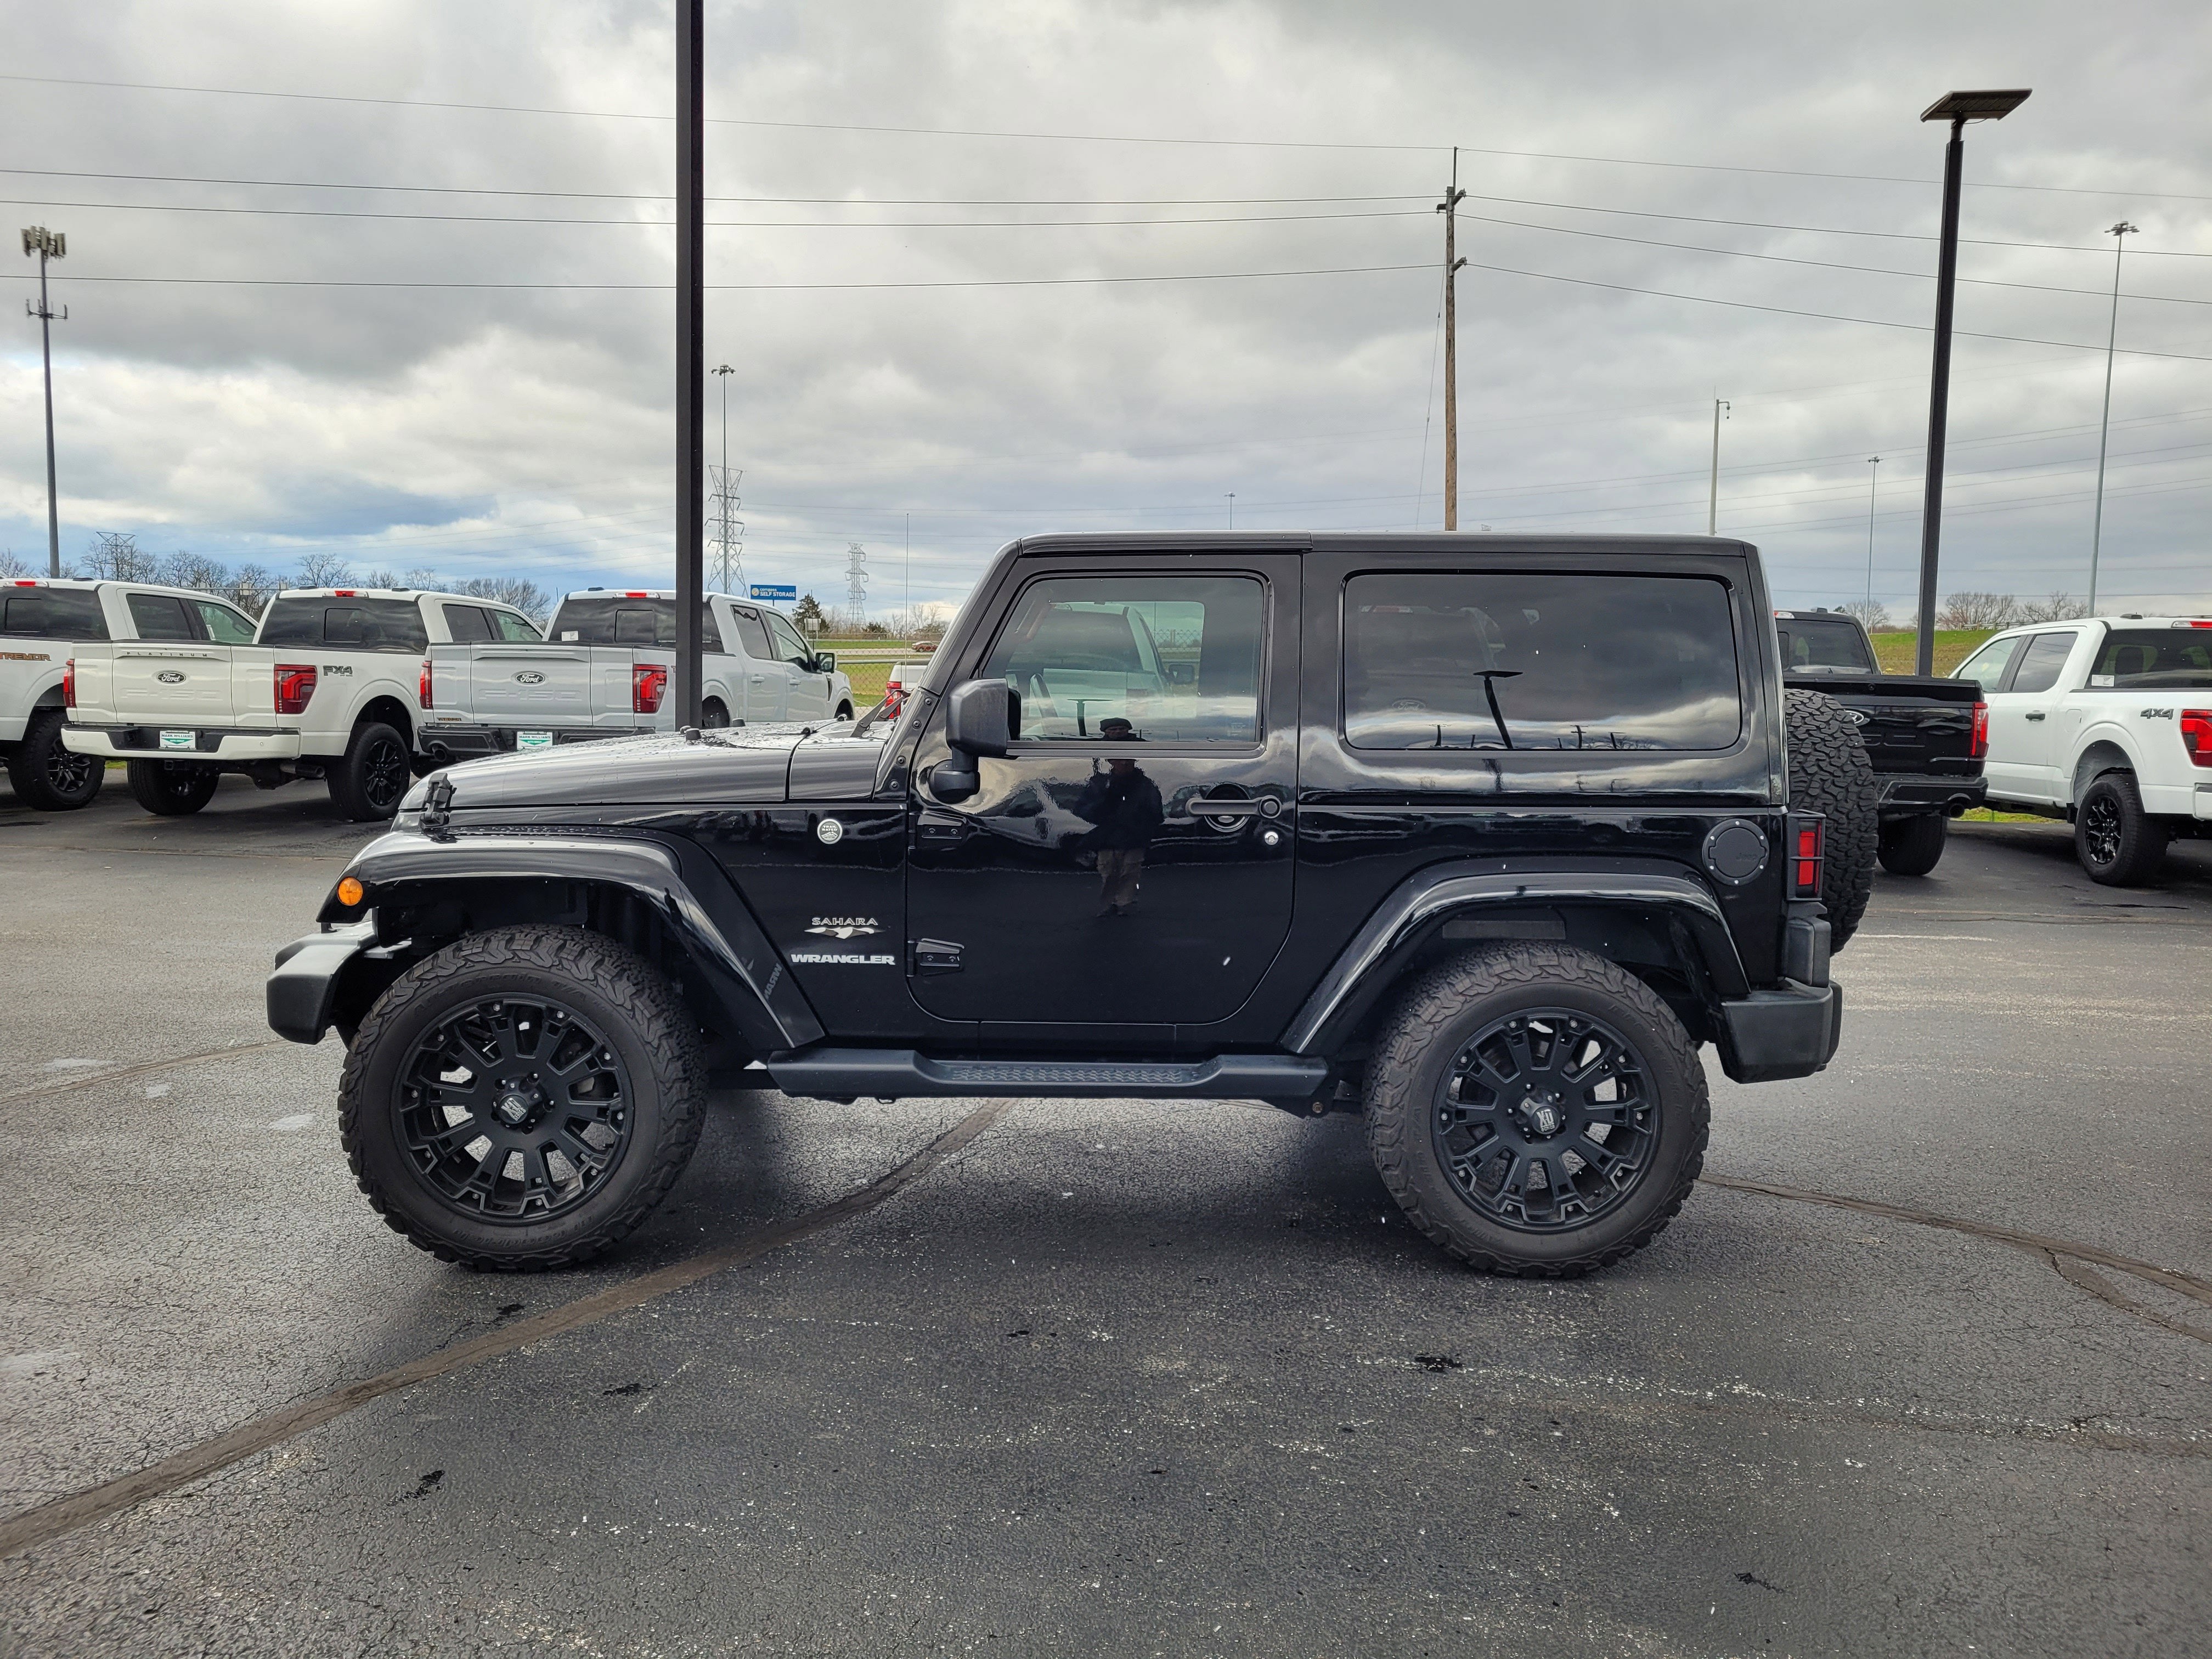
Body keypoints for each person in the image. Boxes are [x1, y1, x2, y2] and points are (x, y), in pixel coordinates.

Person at [1071, 718, 1163, 916]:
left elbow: (1155, 812)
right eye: (1113, 730)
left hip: (1134, 836)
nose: (1123, 763)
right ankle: (1108, 903)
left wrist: (1142, 825)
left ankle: (1124, 903)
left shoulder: (1145, 784)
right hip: (1108, 836)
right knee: (1108, 870)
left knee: (1131, 871)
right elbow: (1084, 808)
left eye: (1122, 729)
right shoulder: (1100, 782)